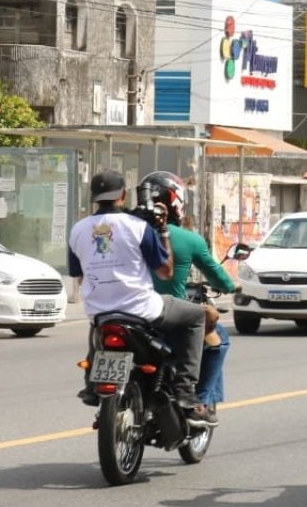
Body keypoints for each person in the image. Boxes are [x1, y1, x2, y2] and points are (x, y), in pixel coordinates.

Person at [67, 170, 214, 425]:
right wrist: (162, 230)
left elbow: (77, 274)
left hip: (99, 312)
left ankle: (92, 383)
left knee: (98, 325)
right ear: (123, 195)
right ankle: (185, 388)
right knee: (196, 317)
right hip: (143, 309)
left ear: (94, 197)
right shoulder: (138, 227)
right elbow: (165, 272)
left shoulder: (78, 230)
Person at [139, 171, 237, 410]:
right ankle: (199, 402)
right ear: (176, 202)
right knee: (218, 338)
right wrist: (232, 285)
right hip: (167, 315)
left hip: (128, 312)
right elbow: (218, 277)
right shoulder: (188, 239)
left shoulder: (128, 231)